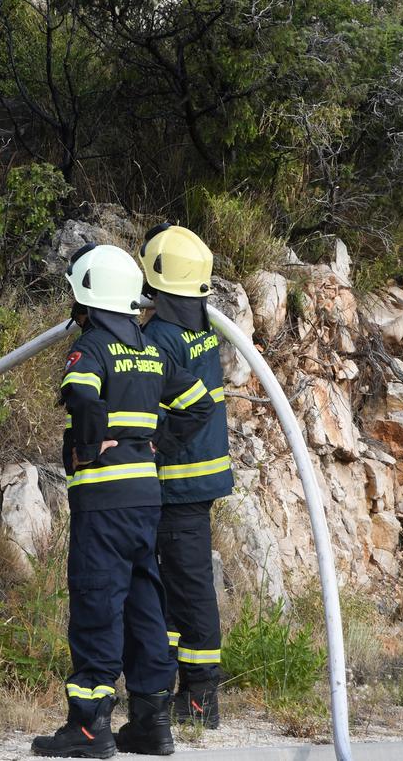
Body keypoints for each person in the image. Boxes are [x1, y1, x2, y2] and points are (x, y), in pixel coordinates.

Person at [32, 243, 209, 759]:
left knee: (97, 601)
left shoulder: (91, 346)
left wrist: (87, 448)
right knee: (144, 604)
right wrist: (160, 442)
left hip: (103, 499)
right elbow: (199, 405)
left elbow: (83, 394)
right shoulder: (150, 349)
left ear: (87, 295)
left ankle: (88, 727)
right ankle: (152, 724)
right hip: (145, 502)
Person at [139, 223, 230, 729]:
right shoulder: (201, 326)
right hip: (199, 480)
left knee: (189, 591)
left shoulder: (158, 336)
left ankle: (199, 699)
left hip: (178, 484)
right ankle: (176, 687)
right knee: (175, 588)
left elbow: (175, 410)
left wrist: (154, 445)